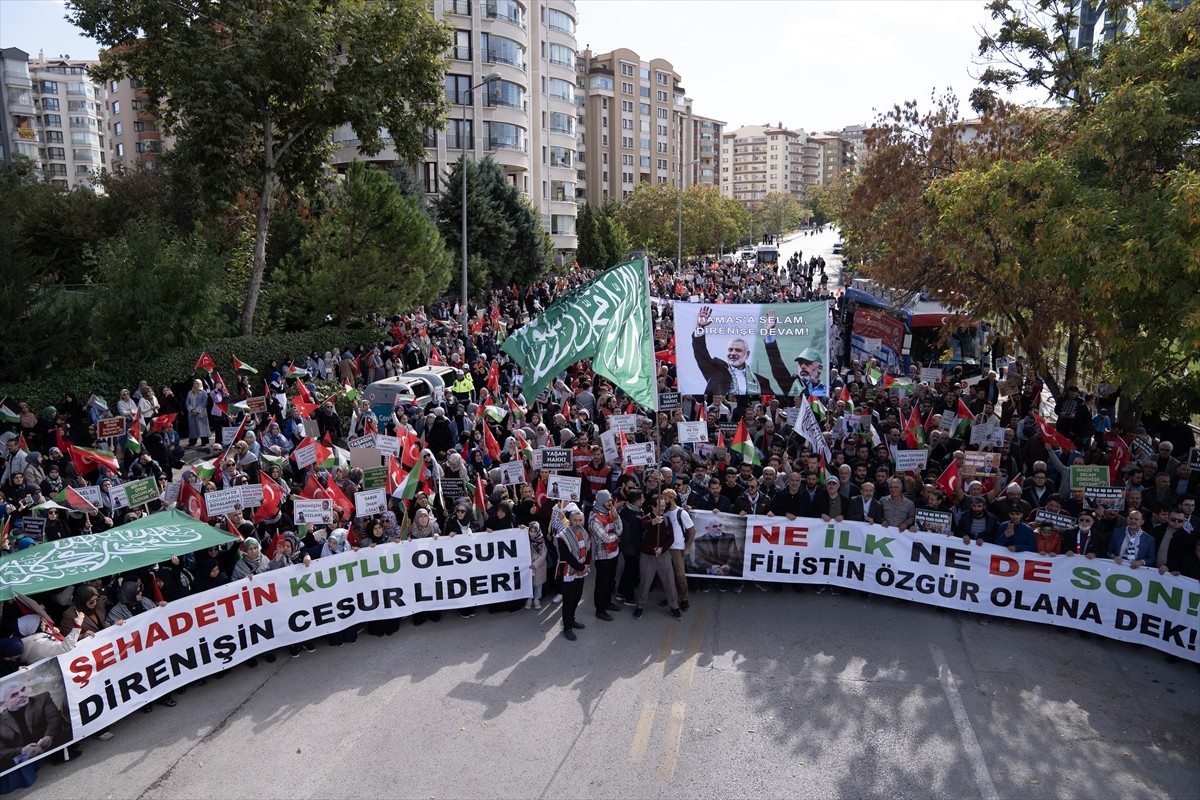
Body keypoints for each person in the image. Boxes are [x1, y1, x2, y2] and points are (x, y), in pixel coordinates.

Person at [0, 680, 68, 789]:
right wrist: (22, 750)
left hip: (50, 744)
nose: (21, 694)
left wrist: (49, 736)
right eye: (14, 695)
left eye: (22, 690)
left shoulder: (42, 698)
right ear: (3, 704)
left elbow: (54, 718)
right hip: (21, 757)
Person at [633, 495, 682, 620]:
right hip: (647, 557)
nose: (663, 508)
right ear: (653, 507)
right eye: (660, 506)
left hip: (663, 556)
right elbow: (644, 526)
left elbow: (671, 538)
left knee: (670, 582)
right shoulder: (645, 519)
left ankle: (674, 607)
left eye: (664, 506)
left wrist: (662, 548)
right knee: (645, 583)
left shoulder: (666, 520)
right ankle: (640, 607)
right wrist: (653, 522)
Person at [554, 505, 591, 641]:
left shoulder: (584, 532)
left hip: (581, 571)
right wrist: (581, 567)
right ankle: (567, 627)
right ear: (570, 521)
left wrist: (586, 565)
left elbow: (589, 549)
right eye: (575, 520)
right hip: (568, 572)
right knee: (569, 600)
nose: (578, 523)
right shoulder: (562, 536)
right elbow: (566, 556)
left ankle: (572, 619)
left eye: (580, 520)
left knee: (577, 597)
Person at [587, 490, 622, 621]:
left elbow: (620, 529)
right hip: (603, 556)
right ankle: (600, 610)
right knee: (602, 584)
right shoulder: (594, 518)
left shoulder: (610, 513)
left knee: (610, 581)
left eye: (610, 500)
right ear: (601, 501)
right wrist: (617, 537)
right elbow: (605, 538)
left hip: (614, 552)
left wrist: (617, 517)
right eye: (608, 501)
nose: (610, 502)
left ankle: (607, 603)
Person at [662, 489, 695, 613]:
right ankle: (670, 597)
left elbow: (692, 530)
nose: (663, 502)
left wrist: (687, 547)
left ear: (671, 499)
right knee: (667, 576)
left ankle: (684, 599)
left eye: (665, 499)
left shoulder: (681, 513)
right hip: (666, 548)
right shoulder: (664, 513)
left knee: (680, 576)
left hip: (677, 548)